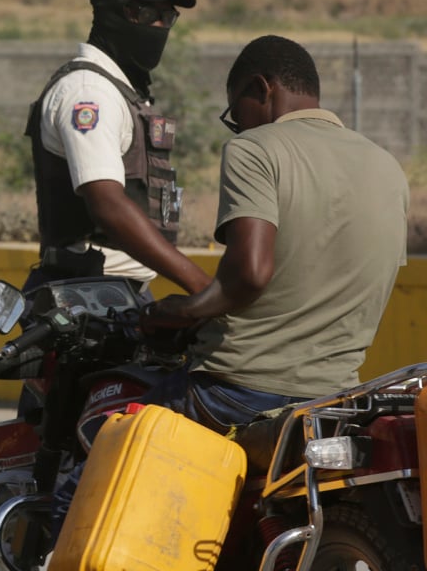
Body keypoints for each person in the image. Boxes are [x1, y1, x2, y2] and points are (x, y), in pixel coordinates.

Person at [141, 34, 409, 426]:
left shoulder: (255, 149)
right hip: (334, 400)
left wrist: (177, 311)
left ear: (261, 87)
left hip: (236, 392)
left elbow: (248, 275)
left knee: (101, 439)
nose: (237, 127)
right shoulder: (387, 167)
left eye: (236, 113)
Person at [24, 0, 210, 295]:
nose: (158, 26)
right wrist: (201, 285)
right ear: (110, 14)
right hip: (86, 295)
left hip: (119, 292)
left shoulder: (120, 91)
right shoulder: (90, 93)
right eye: (145, 13)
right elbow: (108, 205)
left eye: (167, 16)